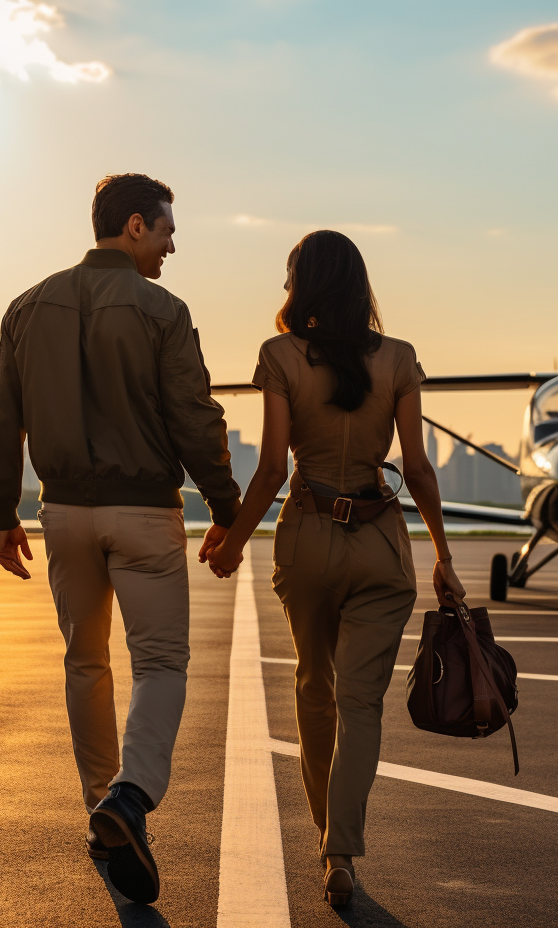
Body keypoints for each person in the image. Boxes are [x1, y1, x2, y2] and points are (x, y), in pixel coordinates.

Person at [0, 173, 242, 905]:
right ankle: (129, 799)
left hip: (62, 514)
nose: (170, 244)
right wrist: (225, 507)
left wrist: (1, 511)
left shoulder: (27, 306)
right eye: (164, 231)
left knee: (84, 661)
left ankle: (103, 807)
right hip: (143, 512)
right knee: (160, 663)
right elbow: (195, 418)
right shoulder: (162, 309)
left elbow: (0, 418)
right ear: (133, 226)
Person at [203, 230, 465, 907]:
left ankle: (330, 839)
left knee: (313, 687)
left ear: (301, 283)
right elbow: (417, 468)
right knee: (361, 703)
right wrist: (443, 556)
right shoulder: (401, 359)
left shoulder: (280, 356)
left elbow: (269, 469)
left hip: (309, 536)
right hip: (380, 542)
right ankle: (340, 847)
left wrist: (232, 540)